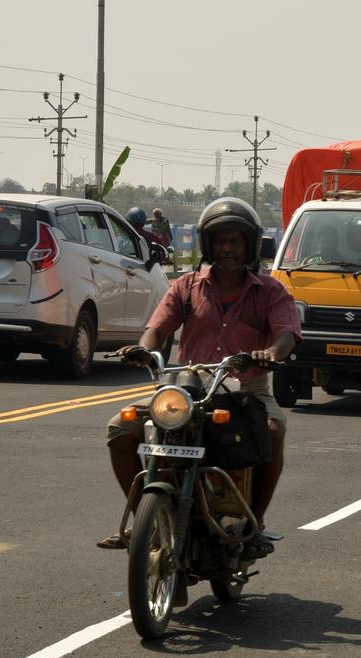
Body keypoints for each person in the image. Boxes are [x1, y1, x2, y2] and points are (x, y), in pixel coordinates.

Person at [98, 198, 301, 556]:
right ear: (209, 245)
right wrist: (144, 348)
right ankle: (143, 520)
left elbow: (286, 334)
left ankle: (256, 523)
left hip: (245, 391)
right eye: (220, 241)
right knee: (120, 427)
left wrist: (272, 352)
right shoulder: (186, 286)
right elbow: (156, 329)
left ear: (249, 246)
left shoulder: (270, 291)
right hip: (186, 389)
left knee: (273, 431)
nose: (227, 249)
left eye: (235, 241)